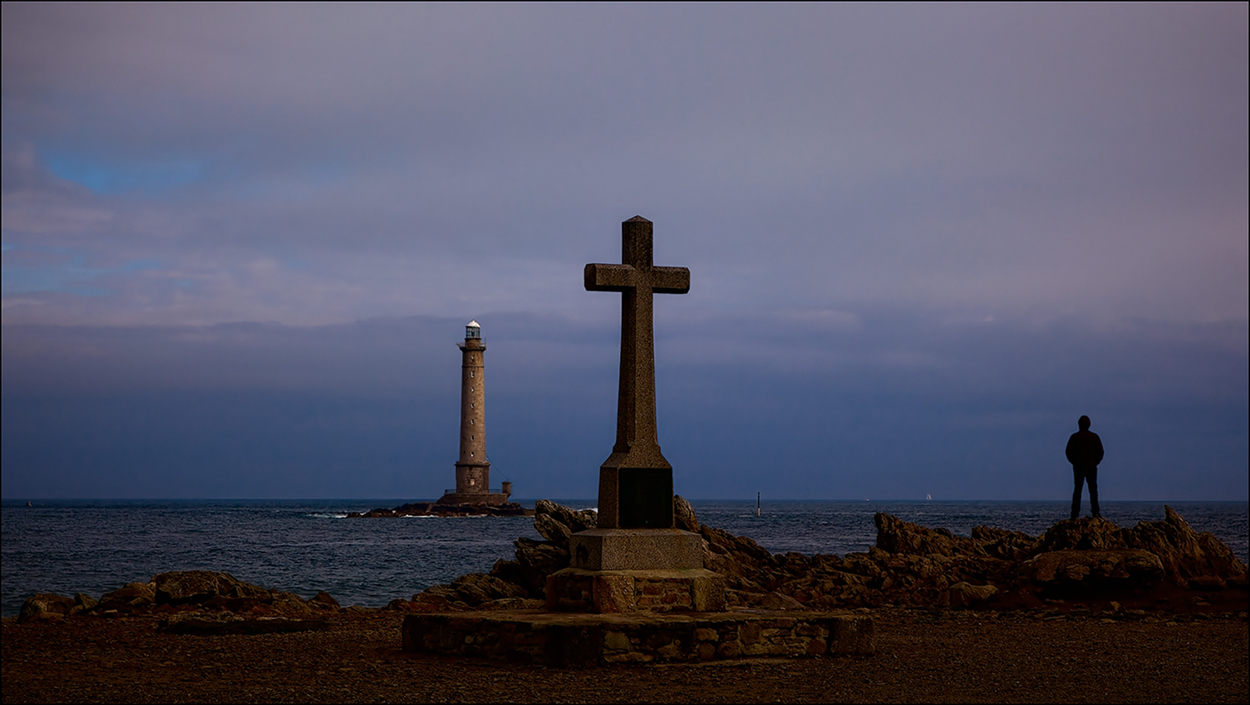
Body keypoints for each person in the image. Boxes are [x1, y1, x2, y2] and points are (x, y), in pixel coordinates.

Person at [1065, 415, 1104, 520]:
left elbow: (1068, 452)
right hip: (1091, 467)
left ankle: (1074, 513)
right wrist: (1095, 462)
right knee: (1093, 490)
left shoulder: (1074, 437)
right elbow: (1101, 452)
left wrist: (1074, 462)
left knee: (1077, 490)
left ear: (1079, 425)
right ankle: (1095, 512)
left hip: (1078, 467)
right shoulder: (1094, 437)